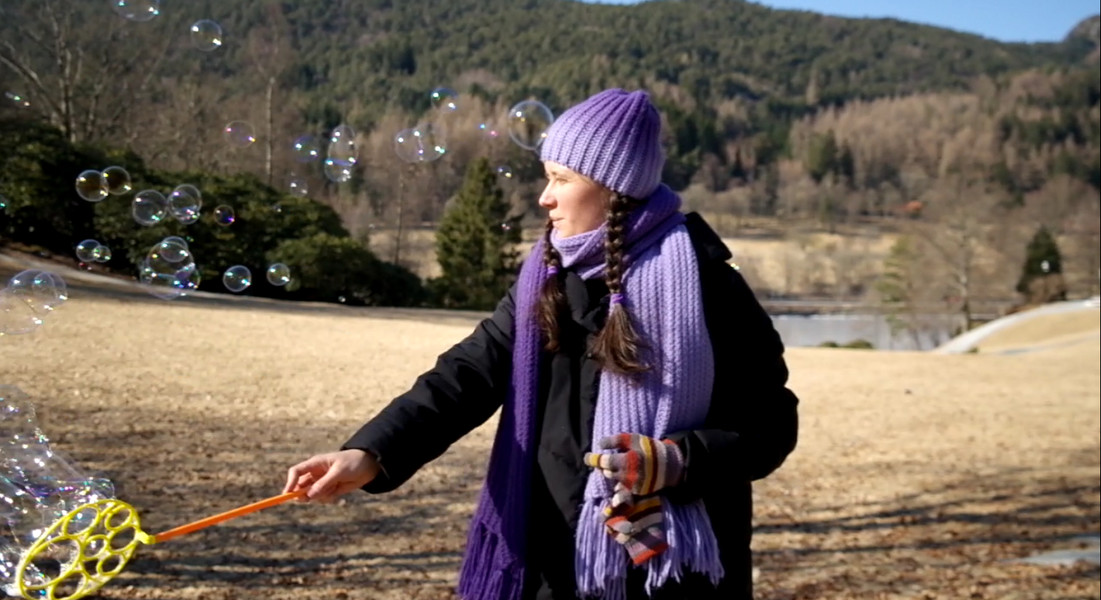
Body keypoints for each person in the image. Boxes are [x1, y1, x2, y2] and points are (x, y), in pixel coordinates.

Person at [284, 88, 799, 600]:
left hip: (668, 576)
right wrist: (372, 452)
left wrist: (679, 459)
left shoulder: (708, 286)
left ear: (613, 188)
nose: (544, 197)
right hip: (548, 557)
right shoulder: (546, 276)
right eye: (546, 177)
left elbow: (771, 424)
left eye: (562, 179)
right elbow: (467, 374)